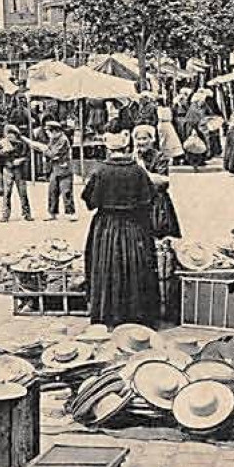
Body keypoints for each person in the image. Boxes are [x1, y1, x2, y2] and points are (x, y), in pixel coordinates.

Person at [81, 131, 160, 325]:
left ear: (108, 149)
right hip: (135, 227)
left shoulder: (100, 171)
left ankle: (108, 314)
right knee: (136, 269)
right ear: (127, 148)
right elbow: (149, 199)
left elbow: (90, 201)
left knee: (107, 268)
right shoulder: (137, 170)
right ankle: (137, 315)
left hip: (106, 227)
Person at [131, 123, 181, 239]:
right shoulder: (132, 157)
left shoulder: (159, 157)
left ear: (152, 140)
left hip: (157, 204)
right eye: (139, 139)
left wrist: (142, 168)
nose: (142, 142)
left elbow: (163, 182)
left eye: (145, 138)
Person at [0, 124, 33, 222]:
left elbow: (27, 156)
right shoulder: (2, 144)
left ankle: (26, 213)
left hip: (19, 170)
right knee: (7, 193)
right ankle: (5, 215)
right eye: (8, 133)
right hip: (8, 169)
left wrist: (21, 160)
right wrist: (4, 156)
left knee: (23, 192)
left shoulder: (22, 144)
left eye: (12, 133)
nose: (10, 136)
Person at [41, 120, 76, 221]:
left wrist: (45, 151)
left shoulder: (63, 140)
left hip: (65, 169)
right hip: (55, 169)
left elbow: (54, 154)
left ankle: (70, 212)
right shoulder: (53, 139)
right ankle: (52, 212)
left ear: (54, 131)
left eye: (48, 131)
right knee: (52, 191)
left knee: (66, 191)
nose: (47, 133)